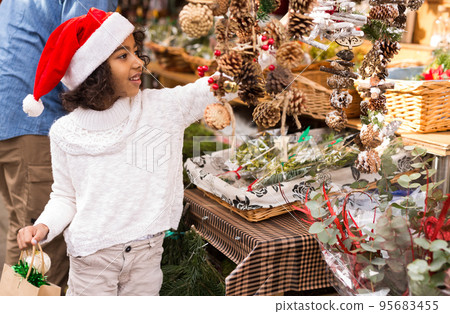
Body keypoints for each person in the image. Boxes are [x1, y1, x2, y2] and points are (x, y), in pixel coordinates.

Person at [16, 7, 232, 296]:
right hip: (92, 260)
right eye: (122, 55)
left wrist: (250, 58)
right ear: (94, 72)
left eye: (135, 52)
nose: (138, 63)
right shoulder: (64, 133)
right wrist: (43, 226)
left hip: (146, 255)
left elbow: (214, 88)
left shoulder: (162, 107)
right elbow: (66, 196)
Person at [0, 0, 118, 292]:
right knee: (40, 248)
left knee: (15, 231)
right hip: (35, 124)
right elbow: (85, 61)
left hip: (11, 117)